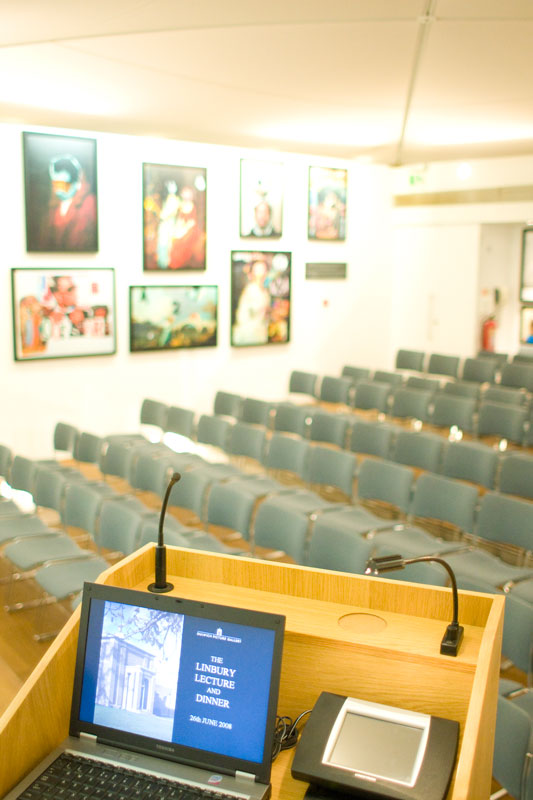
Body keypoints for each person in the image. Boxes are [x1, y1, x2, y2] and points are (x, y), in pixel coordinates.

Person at [43, 153, 97, 251]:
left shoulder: (90, 204)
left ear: (76, 183)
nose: (59, 190)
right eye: (56, 184)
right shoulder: (54, 208)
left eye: (64, 185)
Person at [232, 259, 271, 345]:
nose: (262, 273)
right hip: (248, 335)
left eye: (263, 269)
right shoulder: (251, 289)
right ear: (252, 273)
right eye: (258, 270)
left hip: (259, 333)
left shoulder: (264, 291)